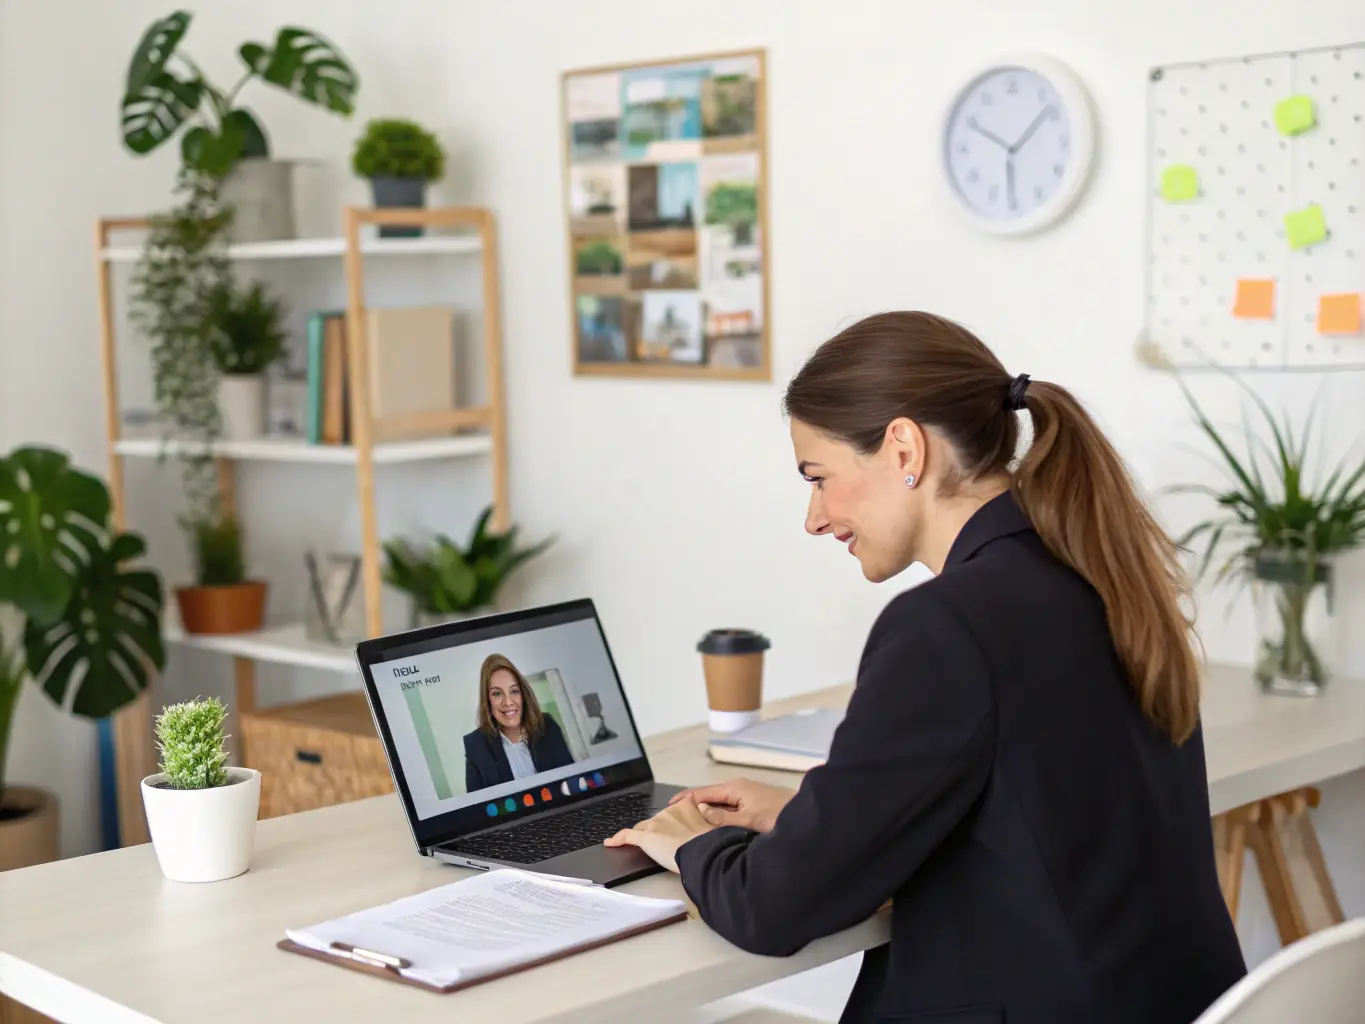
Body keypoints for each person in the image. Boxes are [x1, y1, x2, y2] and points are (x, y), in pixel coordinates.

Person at [607, 312, 1247, 1023]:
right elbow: (1043, 812)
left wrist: (695, 845)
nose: (813, 518)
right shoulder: (1095, 573)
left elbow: (773, 913)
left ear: (904, 447)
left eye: (818, 478)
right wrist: (813, 820)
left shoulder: (944, 626)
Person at [462, 653, 574, 791]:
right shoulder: (475, 745)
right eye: (497, 693)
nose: (508, 702)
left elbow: (572, 784)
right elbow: (477, 808)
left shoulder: (547, 726)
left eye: (514, 691)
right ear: (487, 700)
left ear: (523, 694)